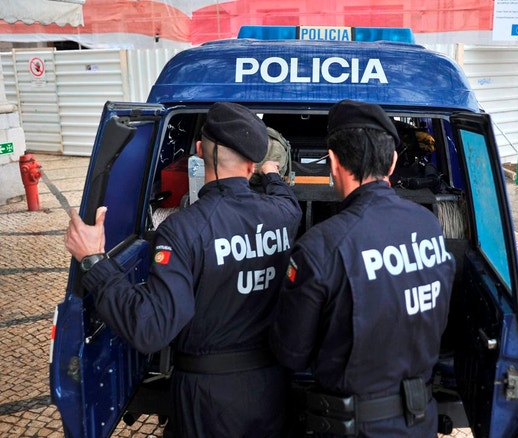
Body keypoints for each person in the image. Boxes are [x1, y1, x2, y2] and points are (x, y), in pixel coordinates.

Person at [65, 102, 302, 437]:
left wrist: (94, 261)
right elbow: (285, 196)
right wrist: (272, 173)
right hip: (272, 388)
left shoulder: (182, 230)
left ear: (199, 151)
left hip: (208, 399)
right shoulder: (284, 214)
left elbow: (152, 329)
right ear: (252, 164)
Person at [270, 99, 456, 437]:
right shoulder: (429, 227)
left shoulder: (320, 247)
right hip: (420, 421)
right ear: (393, 161)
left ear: (333, 162)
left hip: (356, 427)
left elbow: (292, 353)